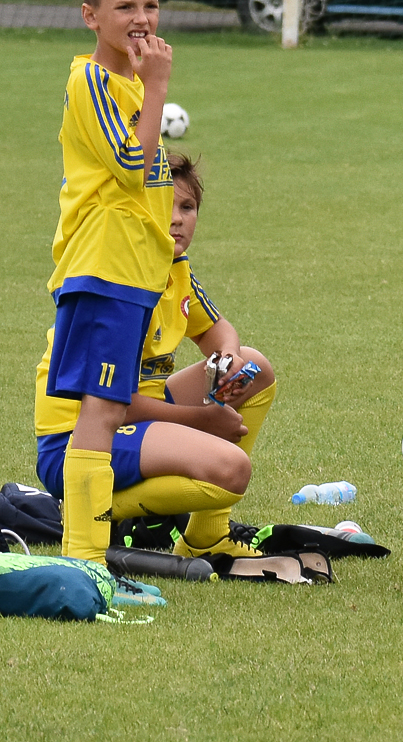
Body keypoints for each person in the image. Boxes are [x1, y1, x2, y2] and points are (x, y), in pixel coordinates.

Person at [35, 153, 278, 559]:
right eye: (166, 205)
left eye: (188, 207)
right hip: (80, 439)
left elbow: (217, 330)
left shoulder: (172, 267)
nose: (178, 218)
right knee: (231, 470)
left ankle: (207, 538)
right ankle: (88, 509)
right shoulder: (125, 281)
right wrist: (205, 420)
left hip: (136, 409)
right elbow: (109, 407)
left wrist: (228, 359)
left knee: (256, 368)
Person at [44, 0, 178, 606]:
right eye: (125, 6)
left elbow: (151, 190)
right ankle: (85, 563)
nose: (142, 18)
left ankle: (90, 560)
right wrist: (157, 88)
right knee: (98, 413)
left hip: (131, 278)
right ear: (91, 15)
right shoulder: (91, 80)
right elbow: (130, 165)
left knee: (106, 408)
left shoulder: (129, 84)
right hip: (101, 269)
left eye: (151, 4)